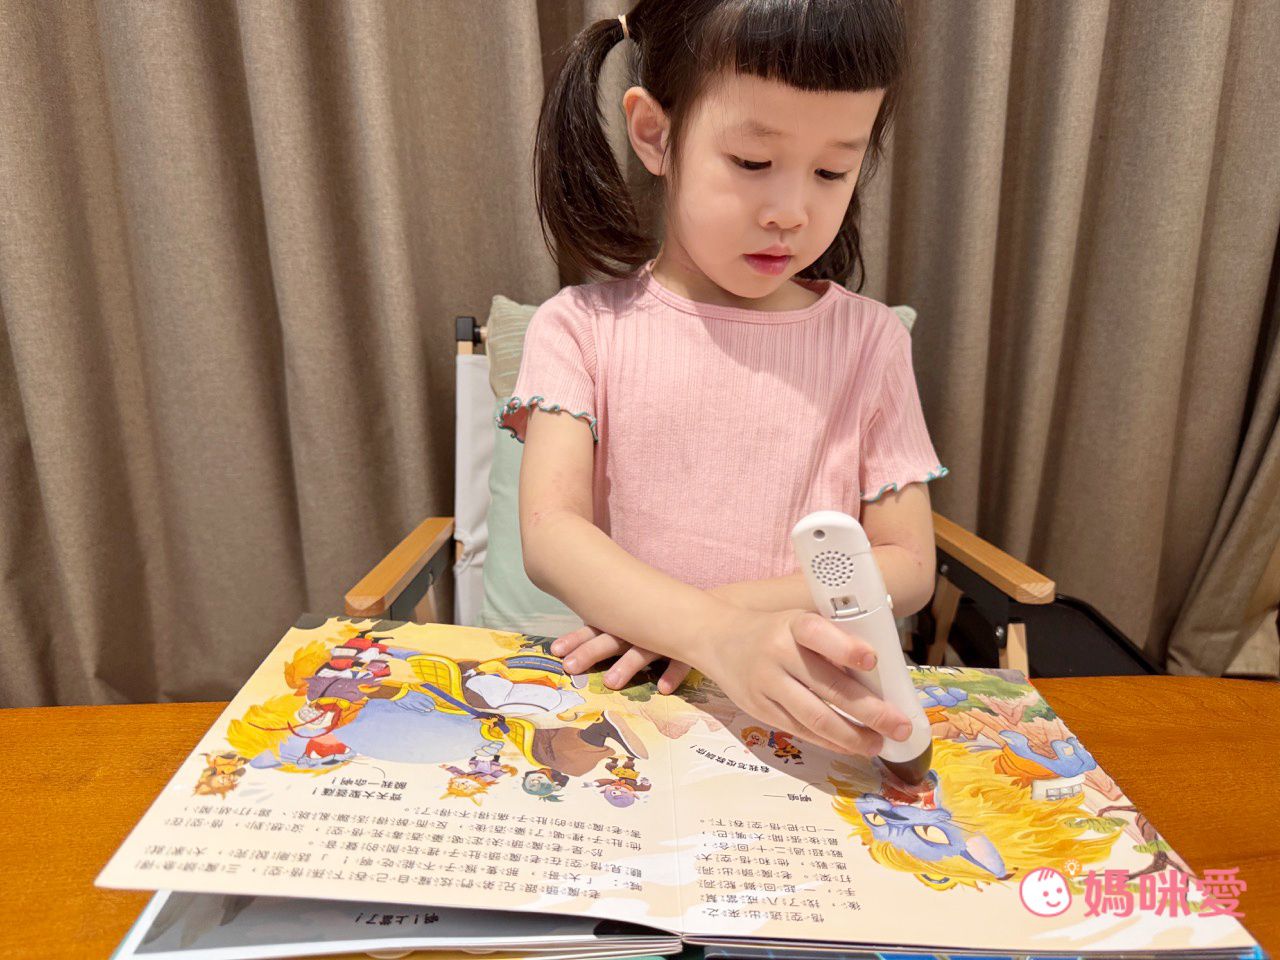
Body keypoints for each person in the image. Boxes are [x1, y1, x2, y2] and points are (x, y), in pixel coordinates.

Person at [496, 0, 948, 759]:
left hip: (813, 713)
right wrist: (713, 633)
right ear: (655, 134)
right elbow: (551, 534)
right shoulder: (578, 328)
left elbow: (907, 565)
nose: (790, 212)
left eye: (832, 171)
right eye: (752, 162)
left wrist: (713, 622)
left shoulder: (869, 342)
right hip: (631, 711)